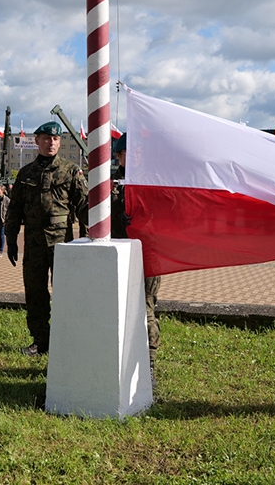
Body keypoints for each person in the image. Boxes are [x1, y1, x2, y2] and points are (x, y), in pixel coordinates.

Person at [5, 121, 89, 356]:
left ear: (59, 142)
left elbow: (83, 207)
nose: (51, 143)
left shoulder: (71, 171)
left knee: (65, 291)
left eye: (55, 139)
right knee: (35, 291)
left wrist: (88, 240)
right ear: (38, 141)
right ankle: (41, 340)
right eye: (46, 138)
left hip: (62, 241)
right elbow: (15, 209)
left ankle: (66, 338)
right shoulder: (26, 173)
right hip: (33, 242)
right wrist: (11, 238)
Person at [110, 133, 163, 386]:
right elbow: (87, 212)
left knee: (146, 309)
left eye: (138, 152)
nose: (134, 157)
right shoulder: (108, 182)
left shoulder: (154, 181)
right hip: (118, 253)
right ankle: (116, 361)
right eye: (128, 153)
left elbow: (167, 214)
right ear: (119, 156)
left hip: (148, 254)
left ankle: (149, 367)